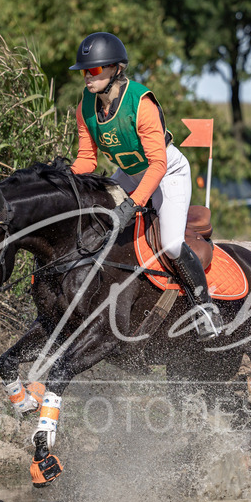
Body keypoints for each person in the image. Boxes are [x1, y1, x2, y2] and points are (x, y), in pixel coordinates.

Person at [68, 31, 221, 338]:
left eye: (94, 69)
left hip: (167, 173)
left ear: (115, 69)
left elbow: (158, 164)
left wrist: (133, 203)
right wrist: (64, 180)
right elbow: (86, 159)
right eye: (84, 71)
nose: (87, 76)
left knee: (171, 244)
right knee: (93, 220)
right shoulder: (86, 105)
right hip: (129, 173)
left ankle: (205, 308)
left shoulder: (141, 103)